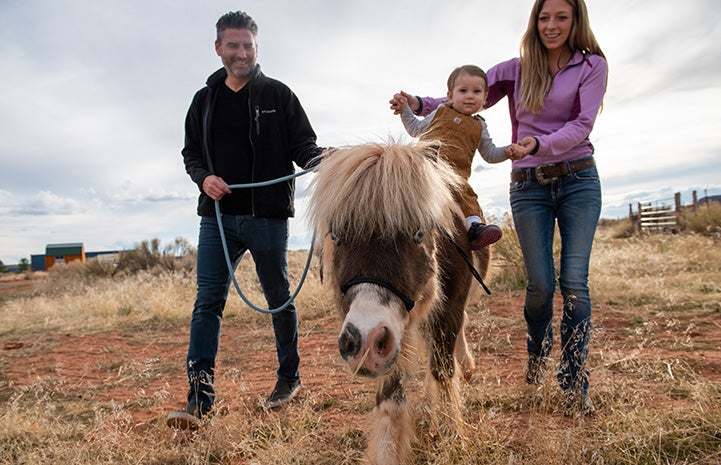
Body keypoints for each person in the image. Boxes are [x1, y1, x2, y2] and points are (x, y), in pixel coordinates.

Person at [390, 0, 607, 416]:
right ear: (534, 22)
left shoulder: (591, 65)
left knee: (575, 284)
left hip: (579, 177)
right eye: (543, 17)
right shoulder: (516, 68)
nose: (551, 25)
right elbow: (464, 94)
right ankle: (538, 359)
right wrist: (416, 102)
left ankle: (574, 381)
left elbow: (583, 124)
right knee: (541, 285)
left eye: (561, 16)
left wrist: (538, 144)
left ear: (576, 20)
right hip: (528, 185)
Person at [167, 11, 326, 430]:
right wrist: (204, 179)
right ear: (218, 48)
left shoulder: (278, 94)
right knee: (207, 304)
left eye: (249, 46)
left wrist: (328, 161)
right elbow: (190, 155)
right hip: (217, 218)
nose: (242, 53)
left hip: (267, 217)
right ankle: (199, 401)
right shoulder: (203, 101)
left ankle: (288, 379)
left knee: (279, 298)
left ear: (257, 48)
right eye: (234, 45)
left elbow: (304, 146)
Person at [395, 64, 504, 250]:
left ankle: (475, 228)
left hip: (455, 176)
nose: (470, 95)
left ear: (485, 98)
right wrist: (404, 109)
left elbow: (490, 154)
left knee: (466, 194)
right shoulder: (440, 112)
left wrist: (509, 151)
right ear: (450, 95)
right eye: (463, 91)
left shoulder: (480, 126)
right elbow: (415, 128)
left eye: (476, 91)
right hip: (426, 167)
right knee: (402, 189)